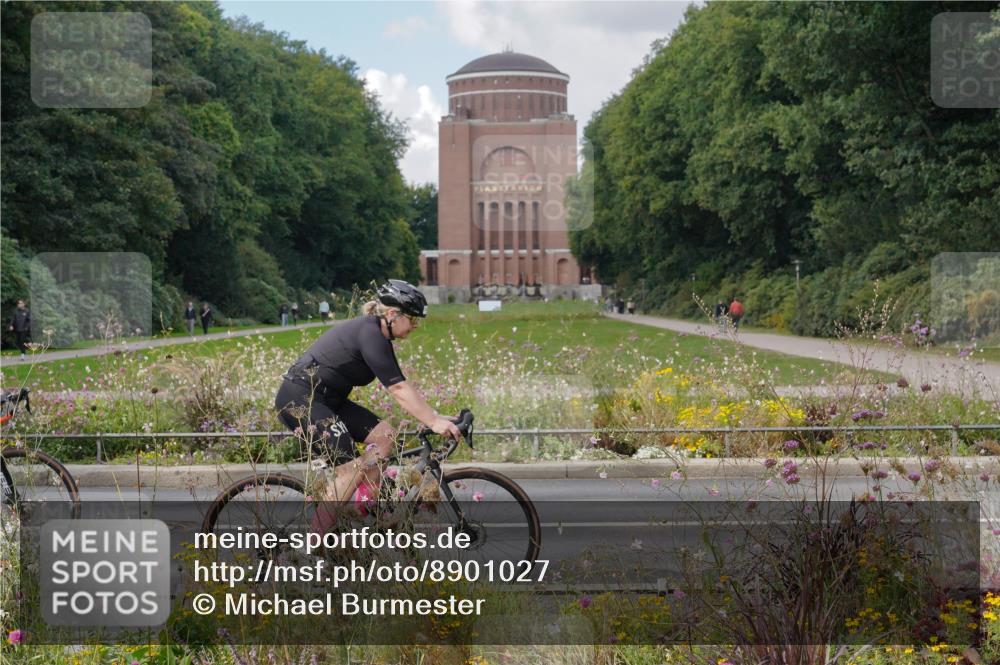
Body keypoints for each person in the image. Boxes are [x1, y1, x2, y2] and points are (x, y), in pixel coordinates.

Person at [275, 280, 461, 510]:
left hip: (330, 400)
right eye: (412, 319)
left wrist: (434, 416)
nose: (416, 325)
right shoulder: (370, 333)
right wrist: (433, 422)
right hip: (302, 399)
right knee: (351, 471)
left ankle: (363, 512)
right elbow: (398, 389)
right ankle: (316, 534)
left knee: (386, 436)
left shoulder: (379, 336)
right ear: (392, 314)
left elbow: (400, 382)